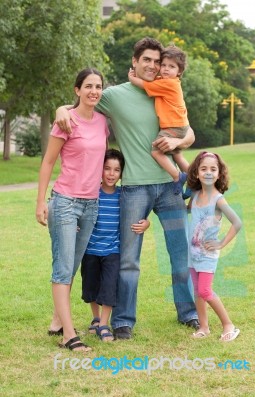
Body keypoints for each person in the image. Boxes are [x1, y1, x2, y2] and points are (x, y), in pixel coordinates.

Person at [55, 37, 199, 340]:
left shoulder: (164, 89)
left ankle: (188, 313)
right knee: (129, 259)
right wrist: (60, 109)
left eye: (157, 61)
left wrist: (177, 141)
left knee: (180, 254)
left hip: (170, 187)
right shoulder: (113, 96)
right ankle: (122, 320)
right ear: (134, 62)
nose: (152, 66)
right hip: (134, 189)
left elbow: (188, 132)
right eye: (146, 60)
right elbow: (83, 101)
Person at [36, 68, 109, 351]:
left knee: (73, 264)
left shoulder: (103, 122)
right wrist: (41, 201)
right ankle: (68, 334)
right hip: (65, 201)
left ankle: (57, 319)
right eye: (88, 86)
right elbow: (47, 163)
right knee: (63, 266)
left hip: (92, 203)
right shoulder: (65, 122)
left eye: (98, 86)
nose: (94, 91)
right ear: (77, 90)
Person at [81, 149, 150, 342]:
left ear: (121, 173)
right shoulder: (92, 193)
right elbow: (81, 213)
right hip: (90, 249)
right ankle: (95, 318)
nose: (111, 174)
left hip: (113, 250)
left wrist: (146, 223)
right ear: (100, 170)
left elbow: (138, 213)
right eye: (107, 169)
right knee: (90, 287)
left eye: (116, 170)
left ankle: (104, 324)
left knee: (110, 287)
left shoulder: (123, 195)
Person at [187, 151, 242, 341]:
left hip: (208, 255)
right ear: (196, 173)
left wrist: (221, 243)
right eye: (203, 169)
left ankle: (229, 325)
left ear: (219, 174)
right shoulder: (194, 196)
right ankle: (204, 327)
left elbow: (237, 222)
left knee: (204, 290)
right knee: (197, 291)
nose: (208, 172)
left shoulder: (218, 199)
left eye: (213, 169)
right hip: (192, 253)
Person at [128, 45, 190, 196]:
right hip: (180, 125)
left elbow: (144, 84)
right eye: (163, 65)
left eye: (171, 66)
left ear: (179, 71)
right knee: (177, 155)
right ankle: (195, 180)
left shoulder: (168, 83)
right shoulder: (168, 81)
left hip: (172, 126)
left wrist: (132, 78)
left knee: (156, 152)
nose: (166, 69)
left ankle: (178, 177)